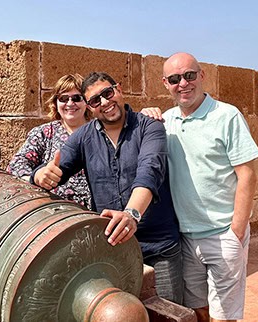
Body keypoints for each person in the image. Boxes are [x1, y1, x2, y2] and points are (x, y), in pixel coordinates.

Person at [30, 71, 183, 304]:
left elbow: (150, 171)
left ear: (118, 89)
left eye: (107, 93)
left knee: (171, 314)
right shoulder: (84, 137)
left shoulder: (149, 127)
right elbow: (57, 170)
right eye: (94, 100)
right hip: (115, 252)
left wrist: (131, 214)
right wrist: (41, 175)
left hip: (158, 247)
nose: (104, 103)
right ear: (90, 108)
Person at [142, 52, 258, 322]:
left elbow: (248, 174)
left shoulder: (226, 116)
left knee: (224, 315)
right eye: (174, 79)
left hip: (222, 235)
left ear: (202, 75)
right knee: (199, 309)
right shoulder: (166, 122)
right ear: (165, 83)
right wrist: (146, 115)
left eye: (189, 75)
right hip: (186, 237)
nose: (183, 83)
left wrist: (236, 231)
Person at [7, 74, 91, 209]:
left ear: (86, 102)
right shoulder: (44, 133)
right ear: (56, 103)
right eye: (63, 98)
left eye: (76, 98)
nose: (70, 103)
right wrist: (36, 177)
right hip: (54, 211)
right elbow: (15, 165)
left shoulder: (99, 133)